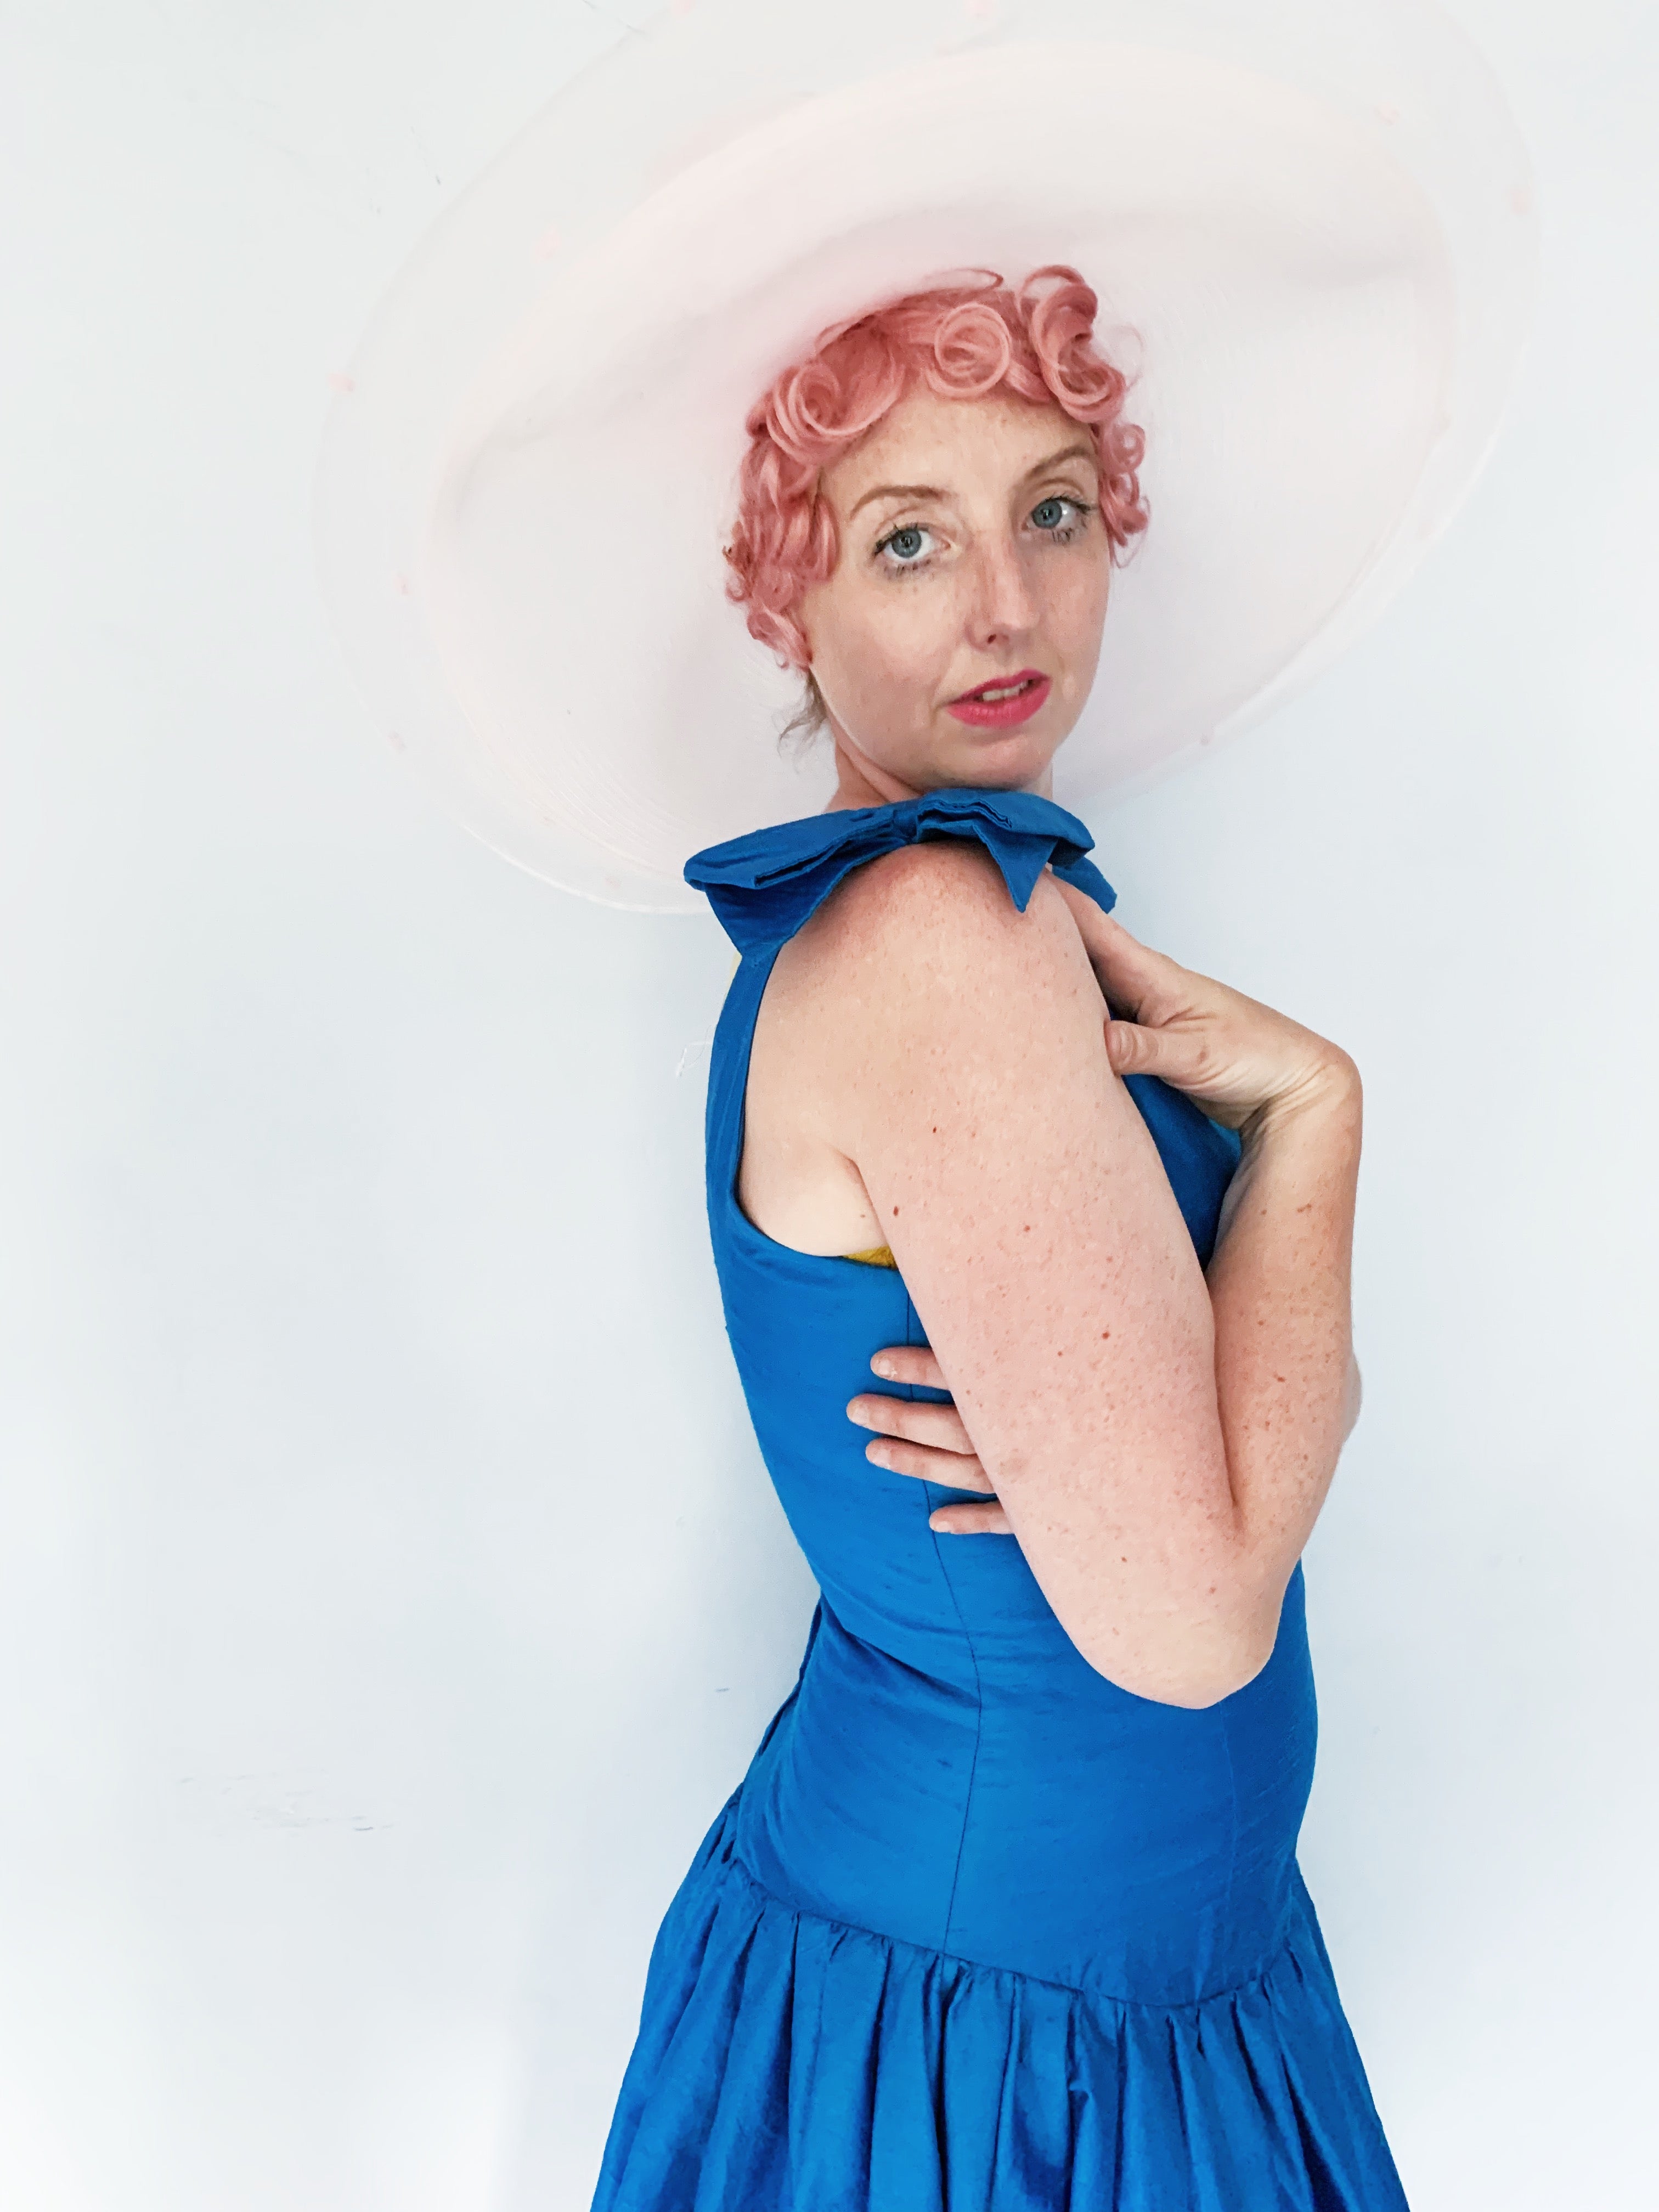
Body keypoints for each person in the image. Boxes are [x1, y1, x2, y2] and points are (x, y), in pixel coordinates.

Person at [588, 268, 1404, 2211]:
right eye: (907, 541)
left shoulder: (972, 917)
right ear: (785, 598)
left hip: (1125, 1986)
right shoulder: (944, 936)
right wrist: (1315, 1122)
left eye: (1051, 510)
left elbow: (1220, 1513)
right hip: (990, 2057)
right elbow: (1196, 1620)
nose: (1008, 608)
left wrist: (1214, 1437)